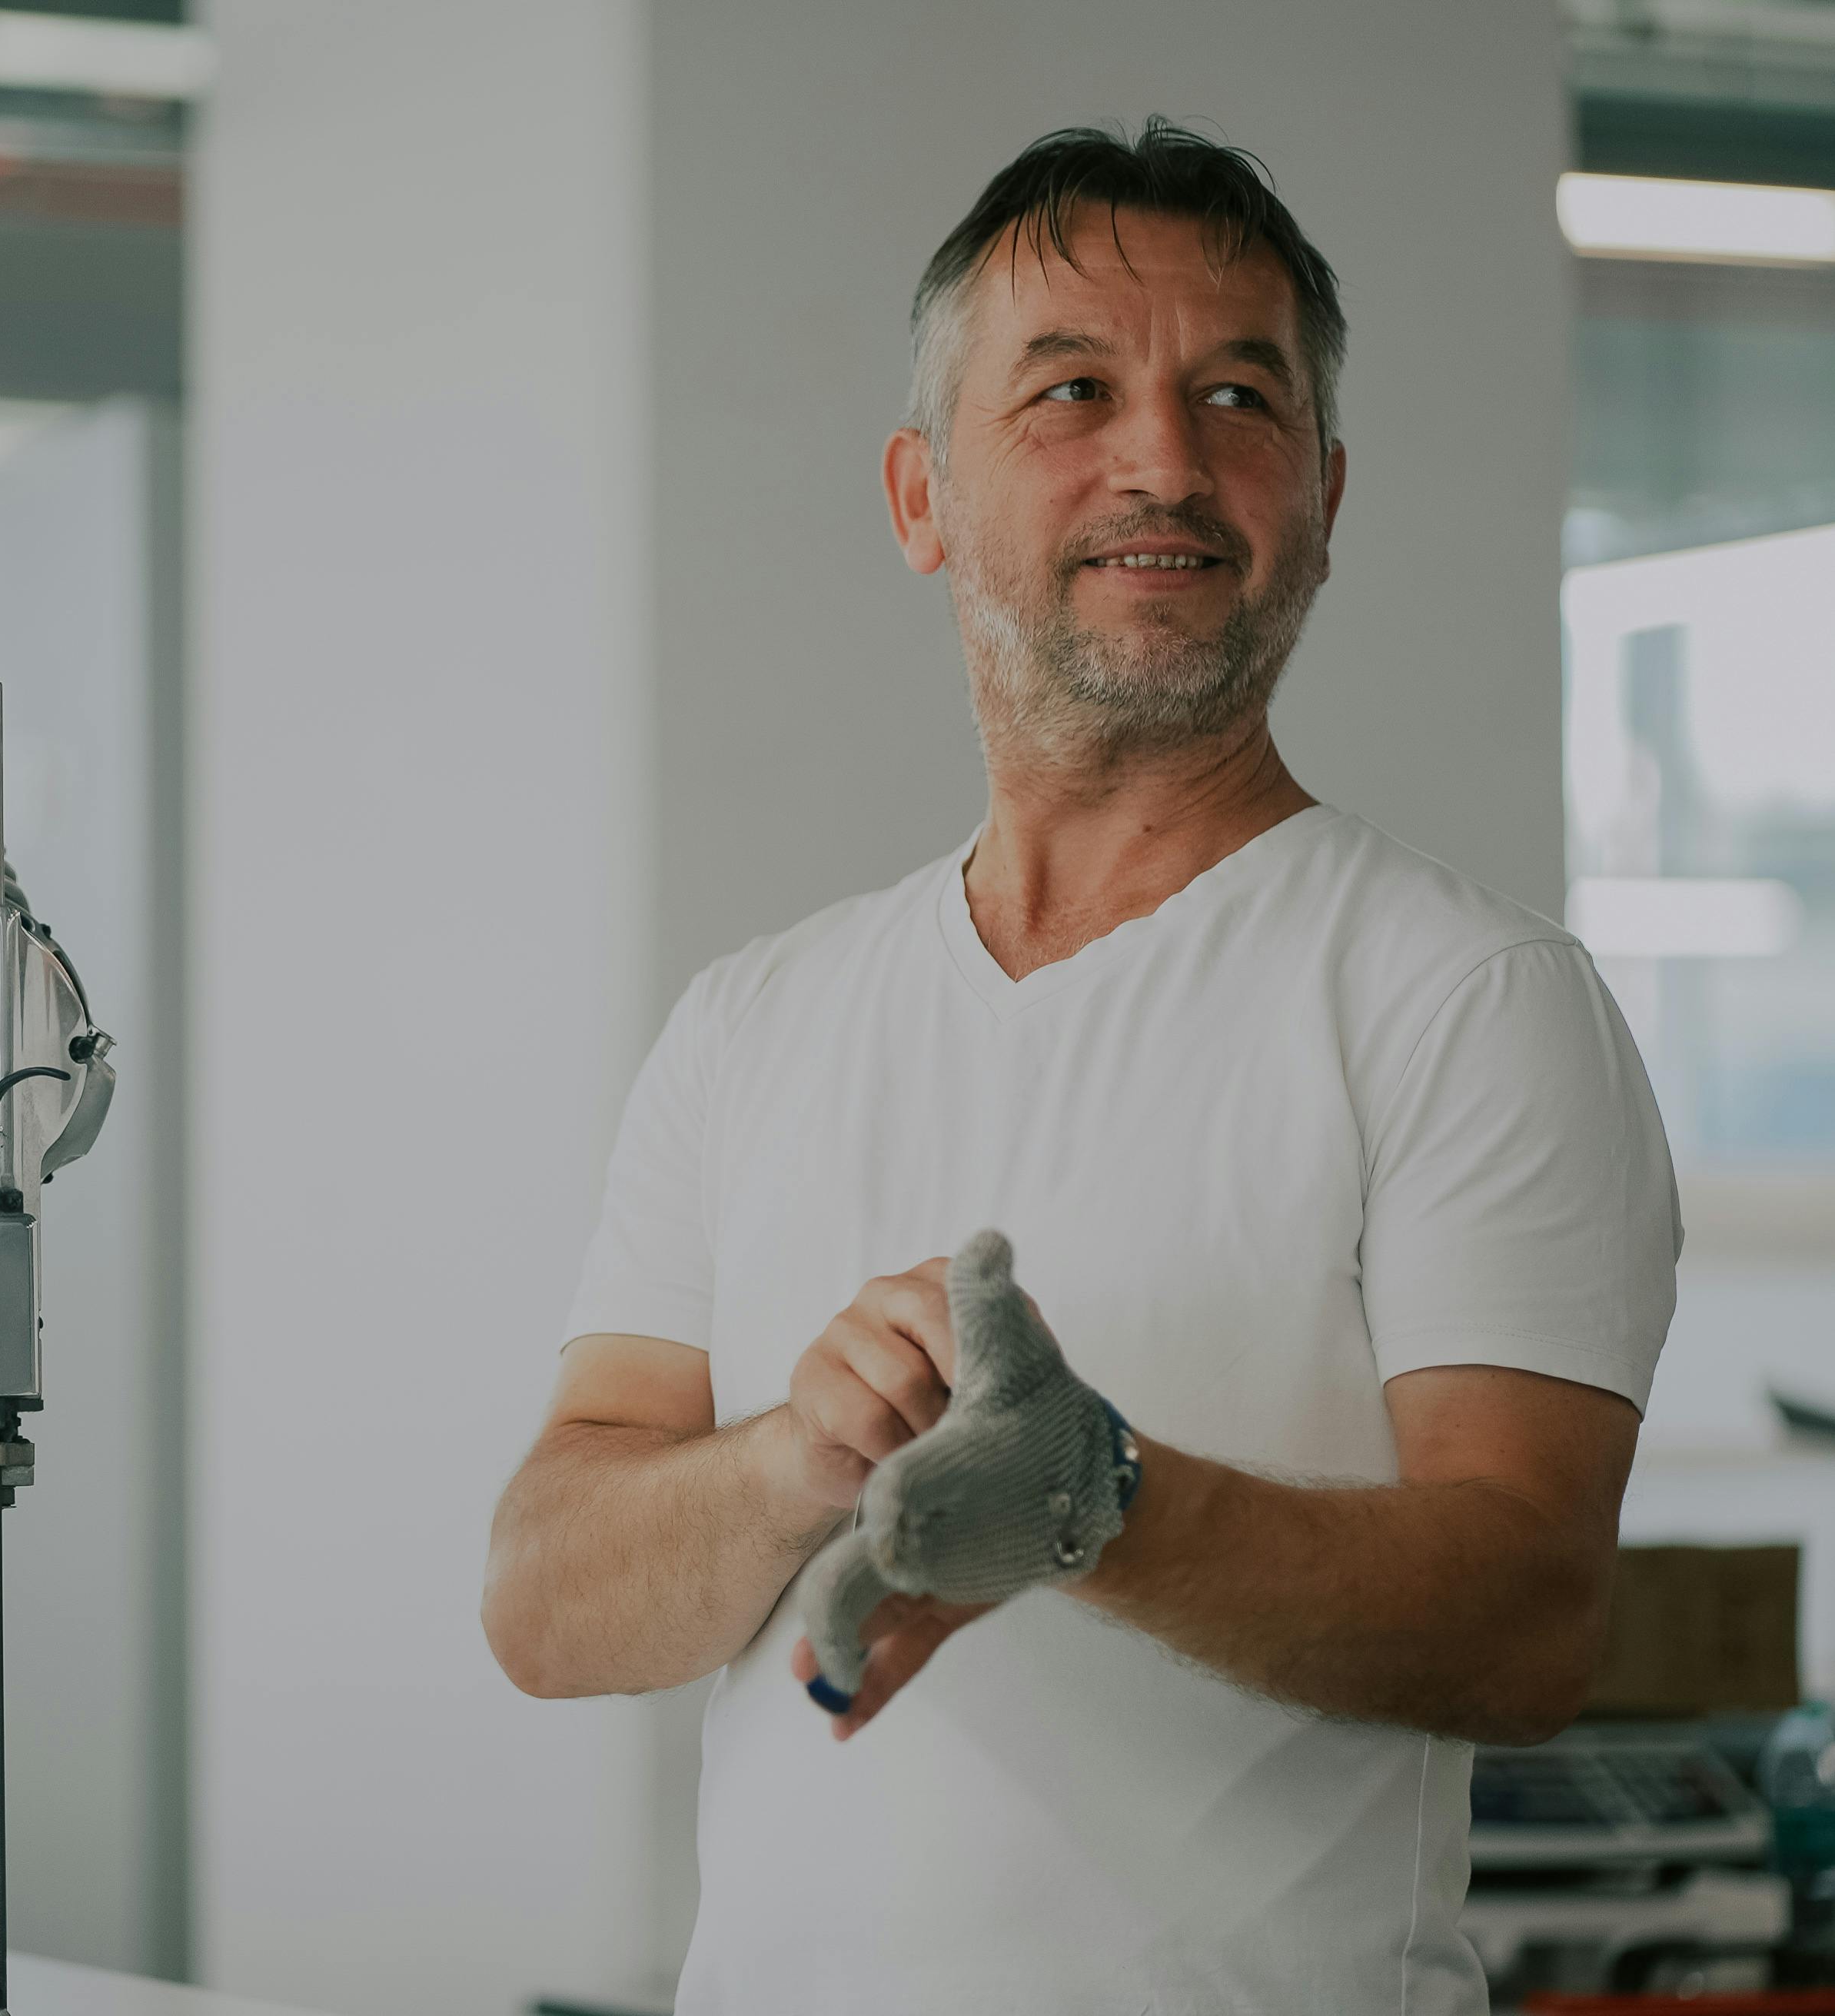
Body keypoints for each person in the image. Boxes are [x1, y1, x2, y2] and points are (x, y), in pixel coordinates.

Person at [480, 118, 1677, 2015]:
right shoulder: (758, 1020)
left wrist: (1099, 1501)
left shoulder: (1468, 998)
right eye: (1071, 391)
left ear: (1328, 491)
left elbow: (1527, 1621)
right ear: (920, 495)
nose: (1166, 463)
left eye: (1237, 395)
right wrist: (801, 1459)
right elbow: (547, 1601)